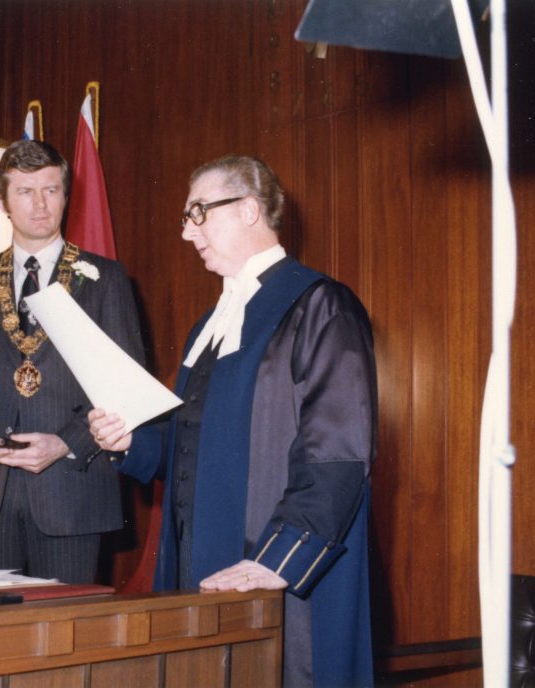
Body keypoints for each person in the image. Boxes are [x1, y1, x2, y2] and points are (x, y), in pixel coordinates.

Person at [89, 155, 377, 687]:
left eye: (198, 212)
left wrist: (280, 561)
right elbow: (187, 449)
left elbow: (339, 453)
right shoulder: (211, 325)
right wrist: (132, 442)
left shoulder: (319, 305)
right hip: (200, 570)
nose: (185, 232)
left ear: (249, 210)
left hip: (277, 572)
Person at [0, 139, 144, 584]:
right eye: (25, 191)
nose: (40, 204)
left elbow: (125, 388)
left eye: (51, 190)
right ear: (4, 201)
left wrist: (67, 443)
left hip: (73, 492)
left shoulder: (105, 279)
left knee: (65, 640)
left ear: (67, 196)